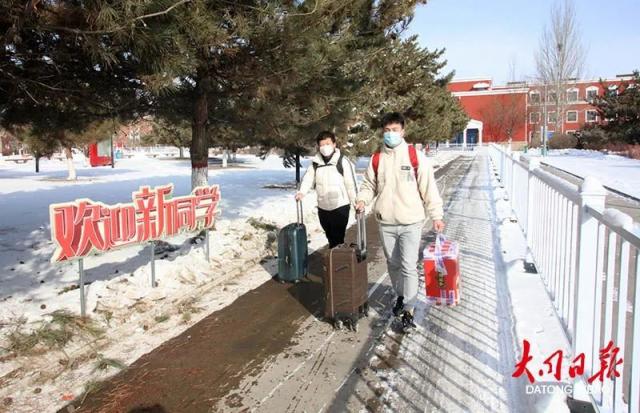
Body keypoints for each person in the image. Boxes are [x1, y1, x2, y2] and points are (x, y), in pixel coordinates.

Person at [355, 112, 445, 331]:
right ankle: (401, 296)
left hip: (411, 221)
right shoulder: (377, 158)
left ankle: (409, 310)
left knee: (408, 266)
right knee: (393, 264)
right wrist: (362, 199)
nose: (390, 134)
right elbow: (369, 185)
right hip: (386, 222)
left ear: (403, 131)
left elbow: (428, 188)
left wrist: (437, 215)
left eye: (395, 130)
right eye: (387, 130)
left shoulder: (415, 157)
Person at [296, 131, 358, 248]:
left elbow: (351, 184)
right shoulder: (316, 163)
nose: (325, 147)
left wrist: (356, 203)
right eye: (322, 145)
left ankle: (338, 257)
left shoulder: (342, 161)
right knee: (330, 236)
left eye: (328, 144)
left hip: (340, 206)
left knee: (337, 237)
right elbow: (308, 179)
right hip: (323, 207)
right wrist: (301, 192)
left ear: (334, 144)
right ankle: (336, 255)